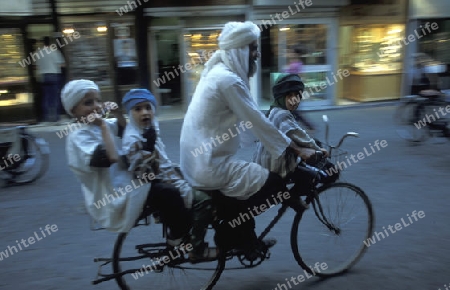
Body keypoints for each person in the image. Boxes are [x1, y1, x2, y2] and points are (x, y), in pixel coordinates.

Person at [180, 21, 311, 256]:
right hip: (209, 165)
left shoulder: (217, 73)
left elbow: (249, 121)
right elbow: (257, 121)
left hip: (199, 160)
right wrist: (298, 150)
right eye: (252, 48)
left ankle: (245, 239)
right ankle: (230, 234)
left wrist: (268, 140)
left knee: (247, 181)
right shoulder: (228, 80)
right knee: (273, 183)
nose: (257, 54)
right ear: (239, 50)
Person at [61, 80, 190, 242]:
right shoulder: (78, 136)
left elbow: (124, 129)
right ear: (73, 110)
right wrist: (102, 125)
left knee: (177, 175)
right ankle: (179, 238)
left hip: (128, 178)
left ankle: (172, 218)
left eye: (98, 101)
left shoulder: (96, 124)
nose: (95, 106)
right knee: (169, 193)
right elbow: (112, 157)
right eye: (88, 103)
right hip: (112, 193)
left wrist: (116, 113)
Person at [121, 88, 218, 261]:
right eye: (138, 109)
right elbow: (144, 173)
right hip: (157, 183)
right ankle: (195, 248)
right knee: (204, 200)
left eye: (148, 107)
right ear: (130, 112)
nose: (145, 112)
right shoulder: (133, 139)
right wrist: (147, 150)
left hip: (169, 175)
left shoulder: (149, 128)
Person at [253, 74, 337, 196]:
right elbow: (300, 136)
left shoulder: (273, 111)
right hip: (275, 168)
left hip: (264, 163)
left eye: (297, 95)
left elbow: (295, 136)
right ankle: (293, 198)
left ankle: (292, 197)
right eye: (290, 95)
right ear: (281, 97)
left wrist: (313, 147)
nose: (295, 100)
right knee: (322, 175)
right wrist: (319, 150)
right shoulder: (282, 114)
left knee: (309, 156)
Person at [35, 36, 65, 122]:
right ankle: (56, 117)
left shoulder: (38, 52)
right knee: (55, 97)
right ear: (50, 43)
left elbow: (36, 66)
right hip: (54, 75)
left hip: (43, 76)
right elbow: (62, 65)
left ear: (42, 43)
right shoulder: (54, 51)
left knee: (46, 97)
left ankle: (46, 117)